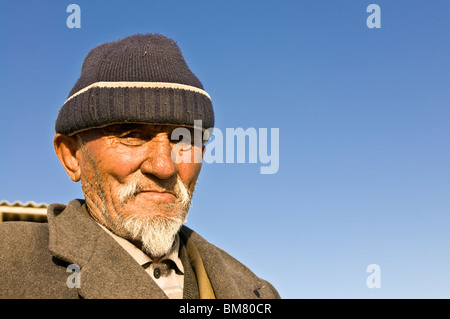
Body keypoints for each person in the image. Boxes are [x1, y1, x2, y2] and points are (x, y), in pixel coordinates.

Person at [0, 33, 280, 299]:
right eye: (132, 135)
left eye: (182, 139)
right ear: (72, 156)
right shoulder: (8, 262)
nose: (163, 167)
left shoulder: (254, 292)